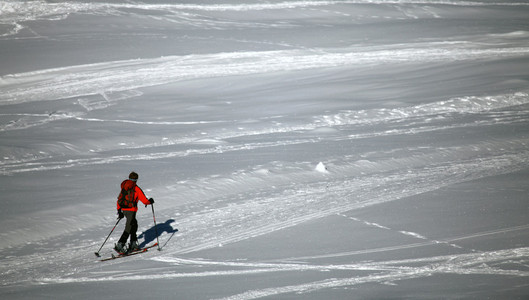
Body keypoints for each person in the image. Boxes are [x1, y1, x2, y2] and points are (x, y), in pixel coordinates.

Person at [115, 171, 154, 253]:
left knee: (134, 225)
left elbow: (120, 198)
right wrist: (150, 201)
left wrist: (119, 210)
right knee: (129, 227)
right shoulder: (136, 188)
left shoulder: (124, 186)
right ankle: (120, 245)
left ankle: (133, 243)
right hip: (131, 211)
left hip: (123, 209)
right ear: (136, 179)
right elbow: (144, 200)